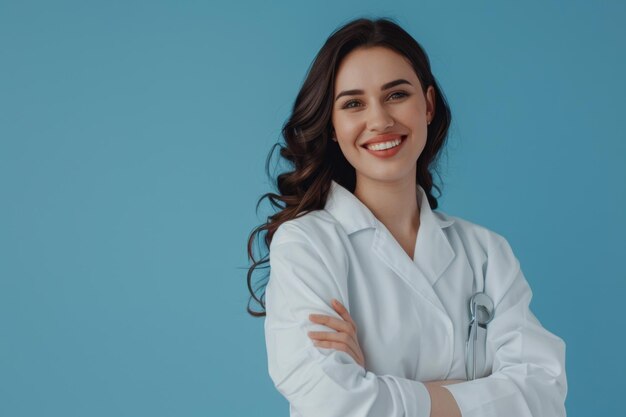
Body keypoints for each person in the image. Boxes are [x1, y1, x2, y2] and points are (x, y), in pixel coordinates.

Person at [246, 17, 567, 417]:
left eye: (396, 95)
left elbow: (544, 396)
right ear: (332, 126)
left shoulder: (486, 253)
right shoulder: (307, 245)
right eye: (353, 104)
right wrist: (476, 393)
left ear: (428, 105)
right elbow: (330, 403)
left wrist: (378, 386)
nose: (380, 121)